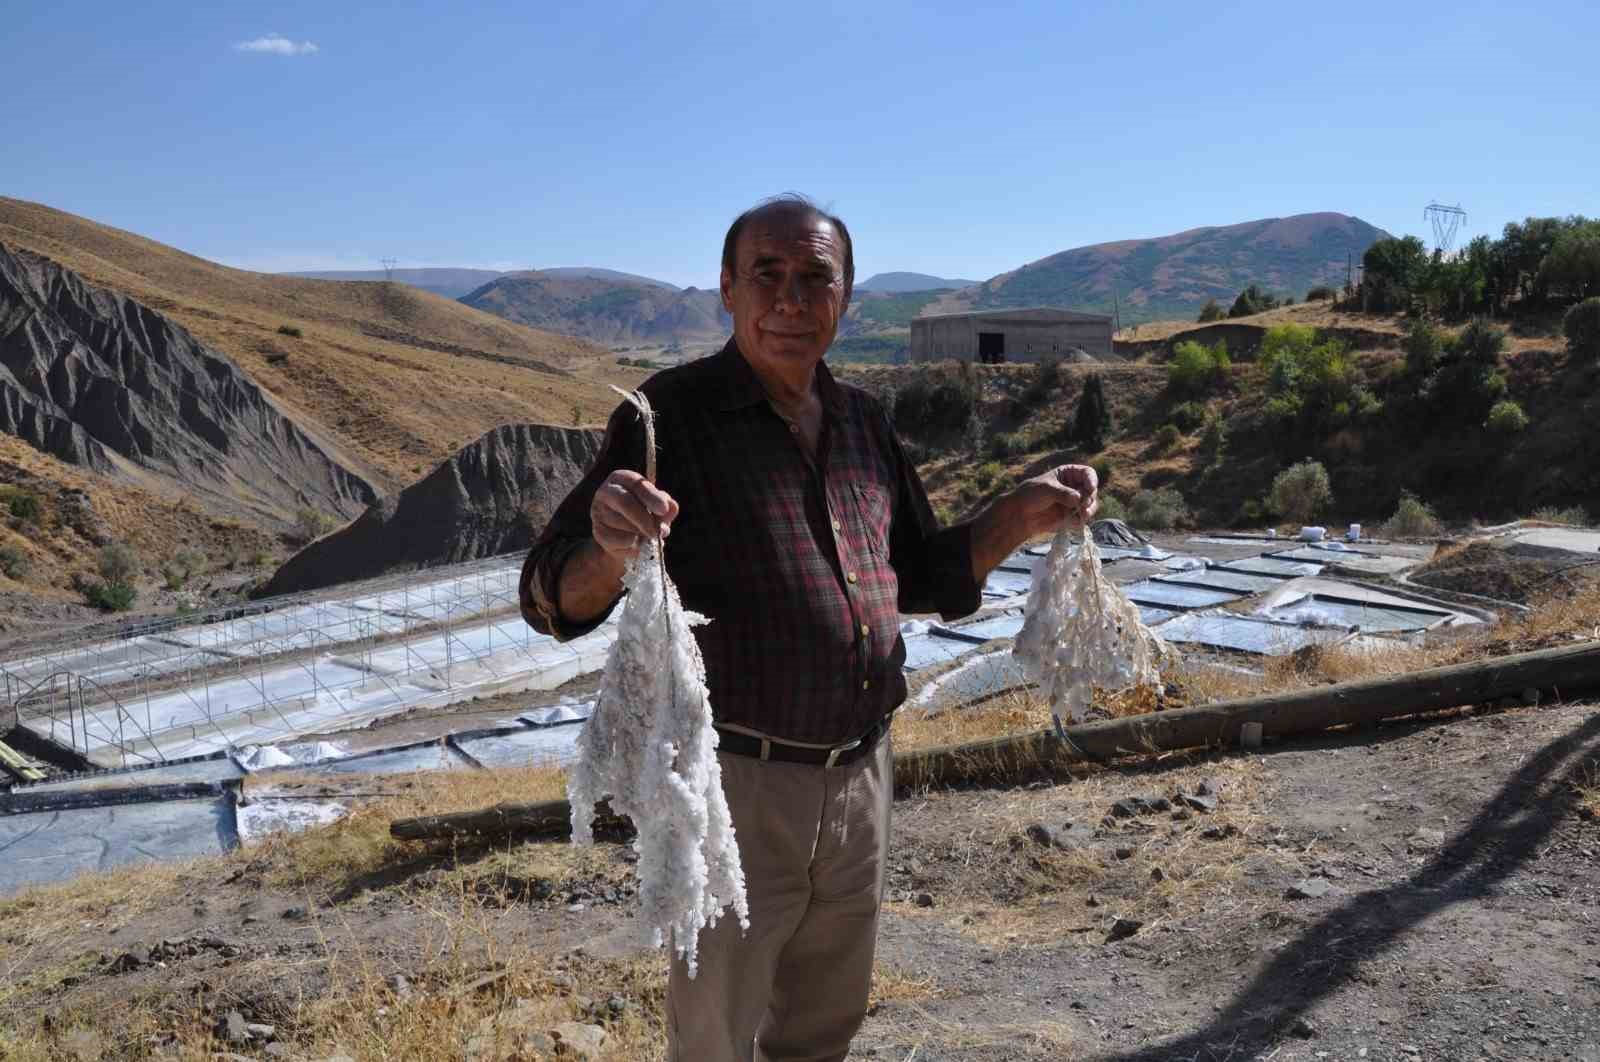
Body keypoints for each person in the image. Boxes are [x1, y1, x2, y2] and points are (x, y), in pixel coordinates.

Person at [520, 194, 1097, 1062]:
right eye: (767, 276)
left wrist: (1018, 515)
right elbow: (549, 596)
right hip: (739, 790)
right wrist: (608, 547)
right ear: (727, 288)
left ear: (845, 296)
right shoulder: (669, 416)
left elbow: (927, 573)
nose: (790, 299)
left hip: (862, 776)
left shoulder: (864, 423)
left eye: (814, 278)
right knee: (716, 1033)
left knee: (825, 1024)